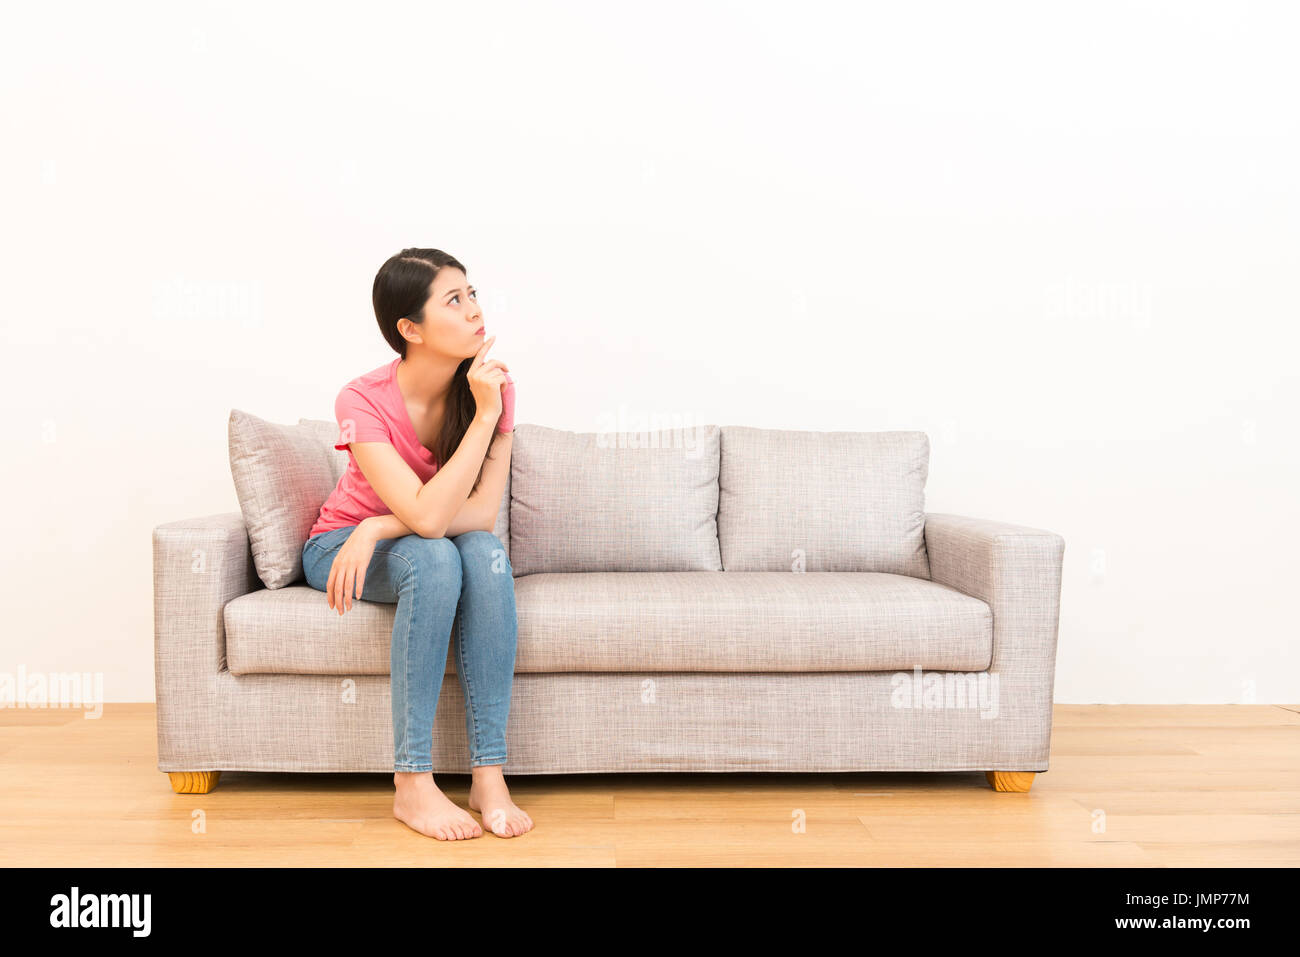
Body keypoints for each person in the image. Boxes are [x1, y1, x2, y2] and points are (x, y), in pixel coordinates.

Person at [301, 247, 532, 840]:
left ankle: (489, 773)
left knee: (482, 552)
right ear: (411, 329)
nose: (474, 309)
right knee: (435, 555)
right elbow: (429, 524)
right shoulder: (361, 399)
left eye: (472, 293)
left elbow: (478, 515)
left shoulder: (493, 388)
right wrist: (370, 527)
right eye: (454, 300)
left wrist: (382, 524)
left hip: (391, 537)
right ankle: (411, 783)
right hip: (340, 545)